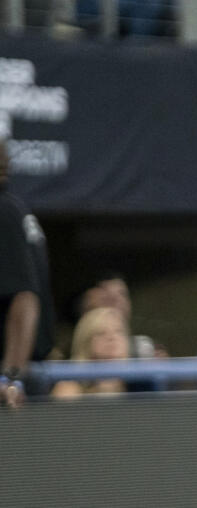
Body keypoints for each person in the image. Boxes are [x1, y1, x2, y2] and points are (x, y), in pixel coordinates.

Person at [0, 139, 55, 408]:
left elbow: (24, 297)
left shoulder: (3, 211)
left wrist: (10, 378)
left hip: (9, 389)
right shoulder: (14, 208)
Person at [50, 307, 131, 399]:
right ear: (85, 342)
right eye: (101, 333)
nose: (112, 338)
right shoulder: (68, 391)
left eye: (118, 332)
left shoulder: (141, 386)